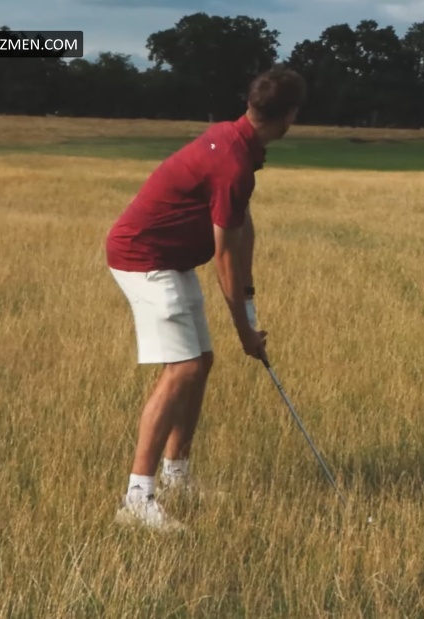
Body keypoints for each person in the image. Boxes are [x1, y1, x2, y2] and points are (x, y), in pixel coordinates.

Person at [106, 67, 306, 531]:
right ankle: (137, 498)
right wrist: (244, 331)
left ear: (251, 104)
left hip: (169, 259)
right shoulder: (233, 163)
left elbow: (241, 227)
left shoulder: (237, 142)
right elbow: (224, 256)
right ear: (290, 115)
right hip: (144, 258)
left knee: (201, 362)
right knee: (184, 368)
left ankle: (177, 476)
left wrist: (249, 302)